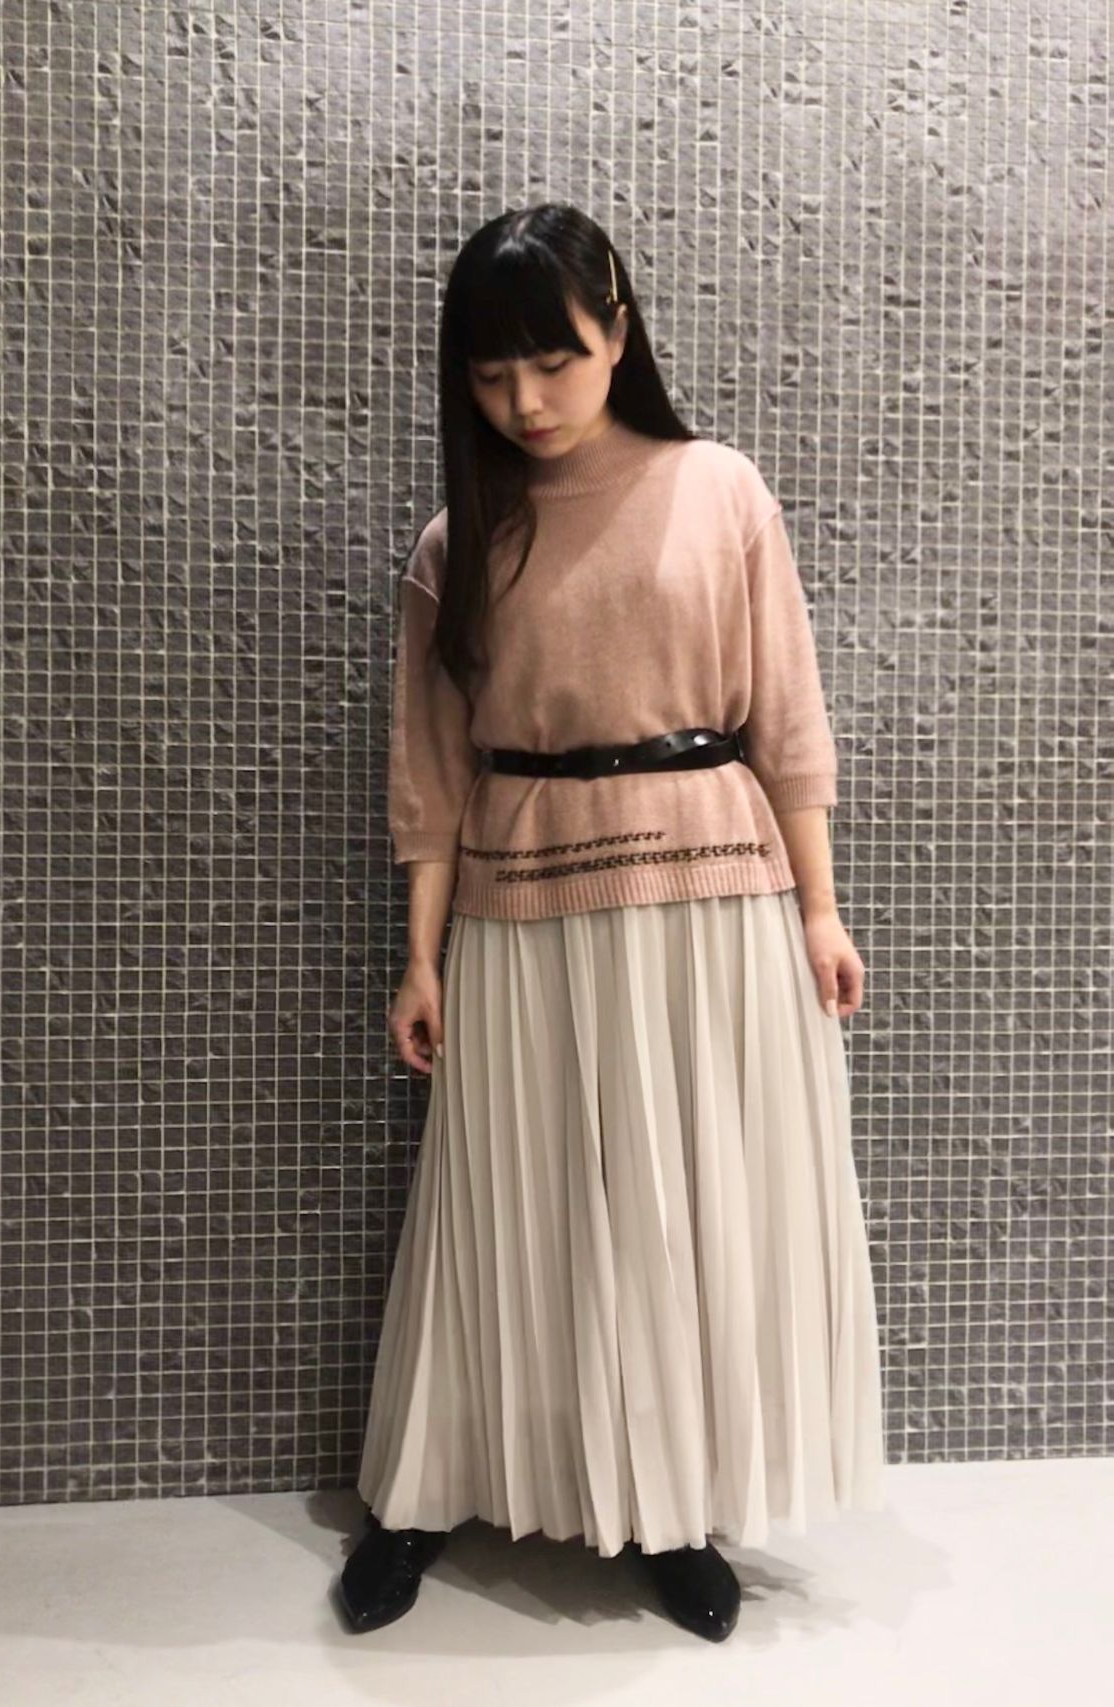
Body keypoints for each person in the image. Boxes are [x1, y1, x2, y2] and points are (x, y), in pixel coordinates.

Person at [336, 203, 887, 1641]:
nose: (524, 400)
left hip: (716, 901)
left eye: (554, 361)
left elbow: (789, 721)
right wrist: (419, 959)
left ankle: (673, 1509)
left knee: (679, 1212)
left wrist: (822, 912)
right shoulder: (459, 541)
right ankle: (428, 1489)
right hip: (521, 904)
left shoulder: (720, 489)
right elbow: (431, 777)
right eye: (490, 374)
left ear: (619, 332)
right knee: (506, 1206)